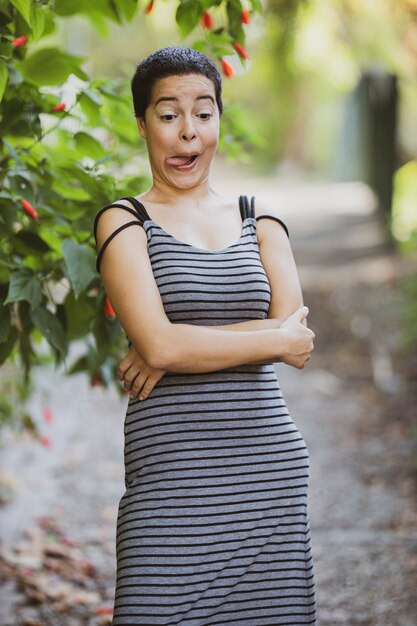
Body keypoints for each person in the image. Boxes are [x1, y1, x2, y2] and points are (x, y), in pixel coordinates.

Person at [94, 46, 317, 626]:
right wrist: (254, 338)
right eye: (168, 115)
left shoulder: (259, 218)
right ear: (142, 123)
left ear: (220, 118)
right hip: (170, 477)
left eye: (204, 112)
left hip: (266, 471)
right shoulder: (123, 222)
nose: (188, 133)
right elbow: (162, 346)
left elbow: (295, 337)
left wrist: (174, 344)